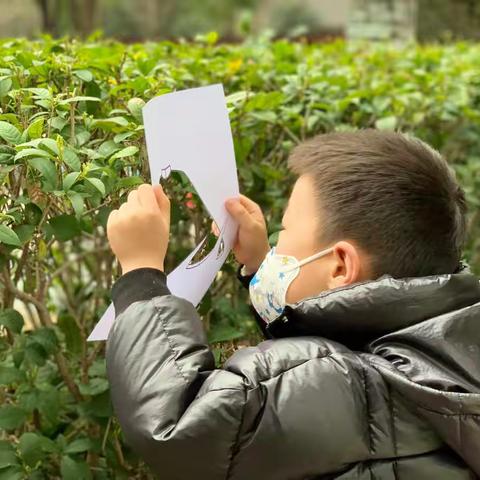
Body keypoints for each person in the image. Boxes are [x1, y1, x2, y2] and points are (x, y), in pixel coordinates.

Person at [104, 129, 480, 479]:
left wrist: (140, 273)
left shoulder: (343, 385)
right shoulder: (438, 347)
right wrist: (260, 267)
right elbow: (320, 353)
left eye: (283, 233)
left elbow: (179, 425)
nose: (277, 245)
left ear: (340, 265)